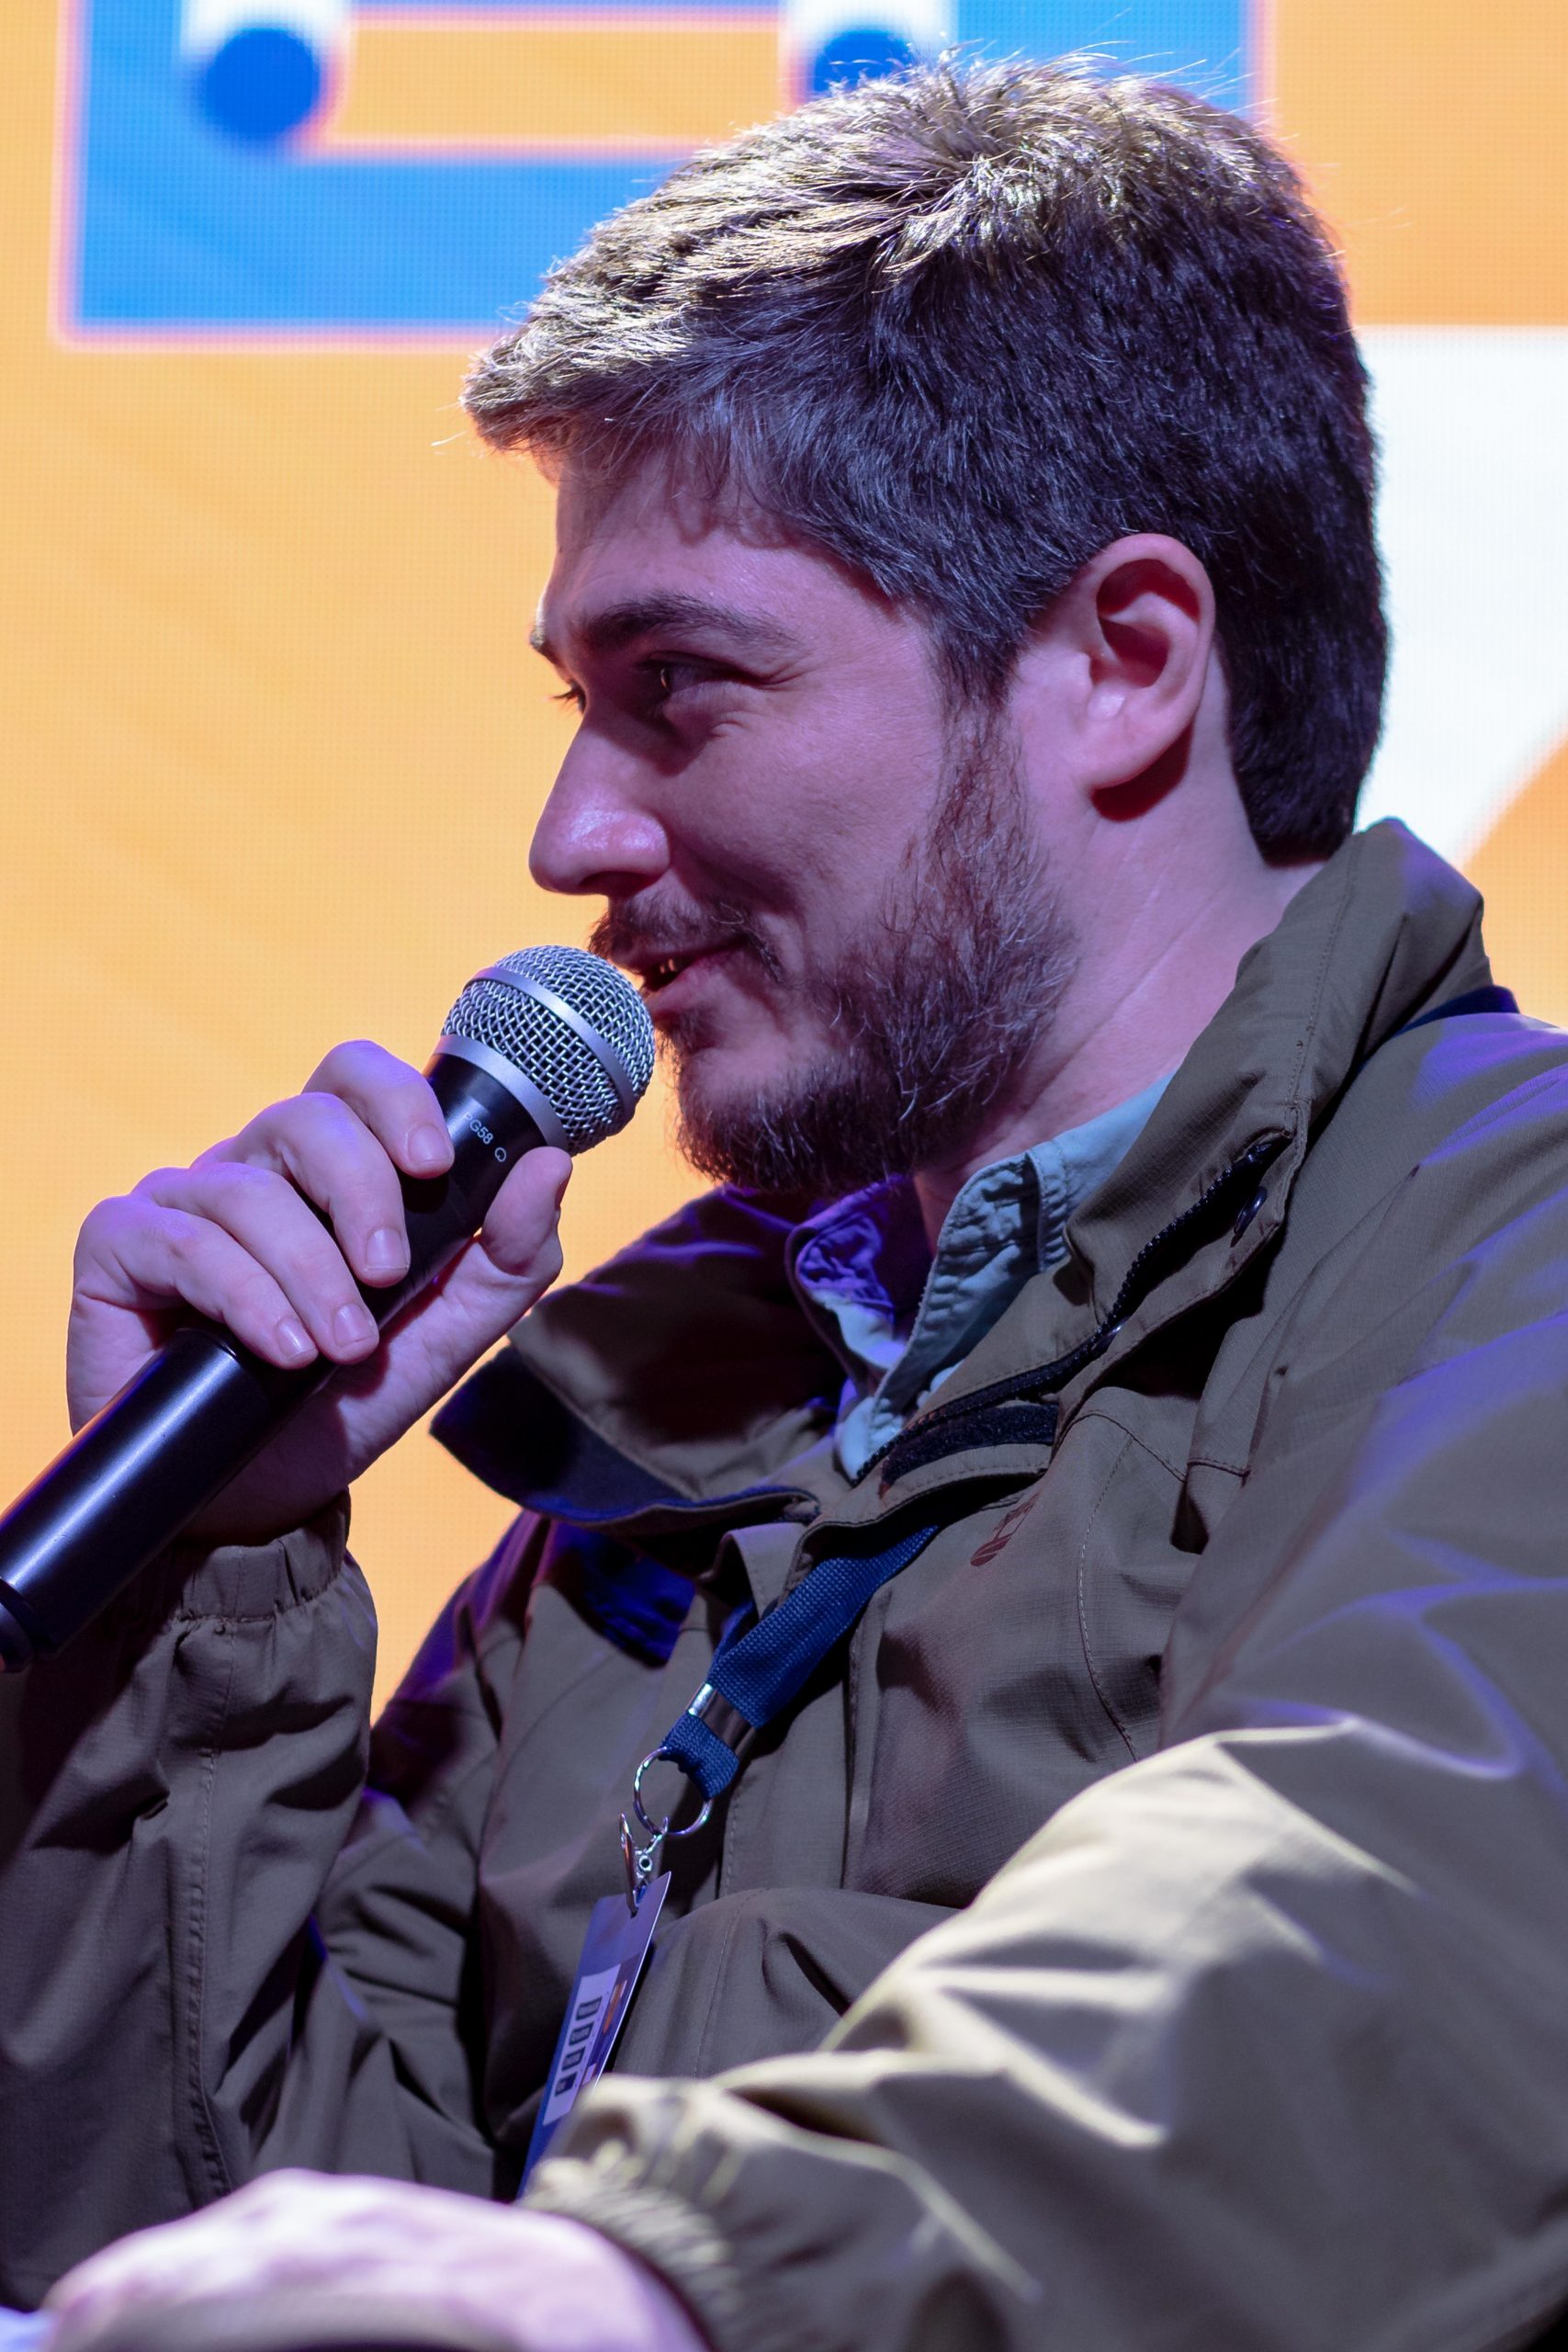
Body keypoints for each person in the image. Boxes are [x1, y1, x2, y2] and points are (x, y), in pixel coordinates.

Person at [6, 54, 1568, 2352]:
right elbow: (245, 2253)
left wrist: (684, 2275)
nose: (569, 833)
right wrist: (196, 1582)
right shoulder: (684, 1428)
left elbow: (1395, 1894)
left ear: (1121, 663)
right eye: (574, 698)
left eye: (681, 685)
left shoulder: (1499, 1244)